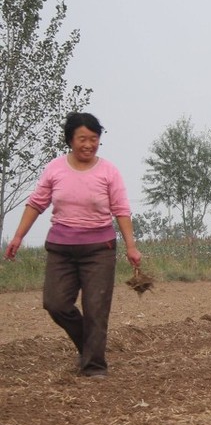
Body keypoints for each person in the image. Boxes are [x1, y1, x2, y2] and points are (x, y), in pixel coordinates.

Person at [4, 112, 142, 378]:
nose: (89, 144)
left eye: (94, 139)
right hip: (61, 249)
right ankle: (88, 347)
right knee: (55, 303)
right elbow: (36, 203)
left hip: (99, 250)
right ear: (70, 140)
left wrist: (131, 247)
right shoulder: (55, 168)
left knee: (96, 310)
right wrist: (19, 236)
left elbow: (121, 210)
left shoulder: (108, 171)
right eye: (82, 139)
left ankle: (94, 366)